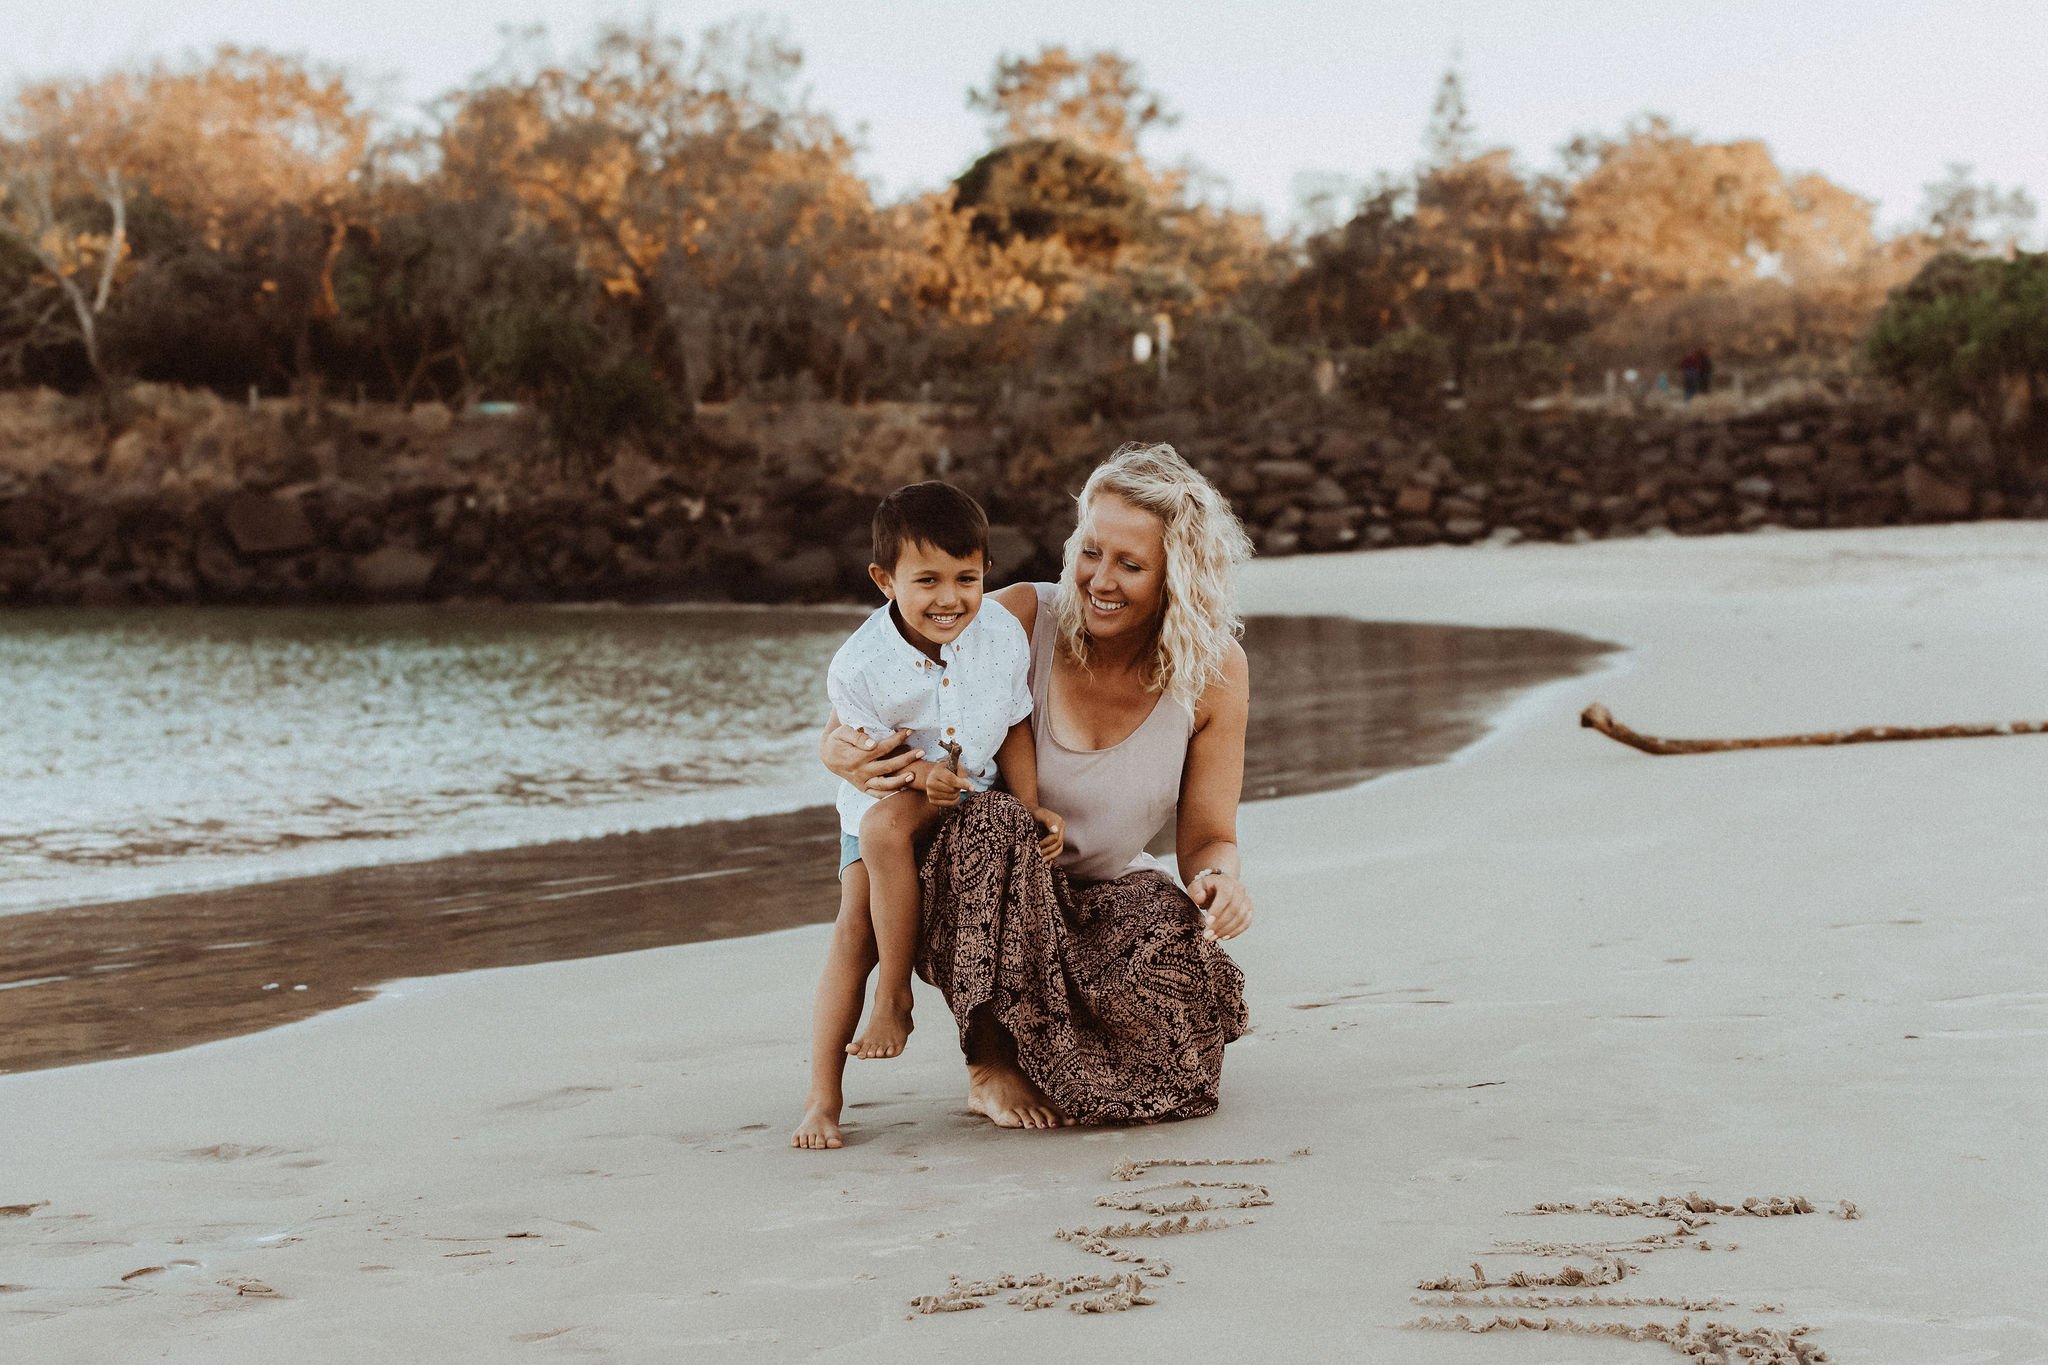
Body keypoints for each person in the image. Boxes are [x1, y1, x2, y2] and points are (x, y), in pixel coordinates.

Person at [824, 443, 1254, 1130]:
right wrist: (835, 747)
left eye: (1130, 564)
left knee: (1179, 1031)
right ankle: (989, 1060)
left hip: (1094, 903)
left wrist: (1219, 878)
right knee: (997, 818)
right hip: (969, 894)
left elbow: (1208, 835)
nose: (1099, 580)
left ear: (1179, 576)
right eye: (1091, 551)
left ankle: (1059, 1053)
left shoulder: (1214, 673)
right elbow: (891, 671)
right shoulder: (1018, 618)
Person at [792, 482, 1062, 1151]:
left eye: (966, 578)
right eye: (928, 580)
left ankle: (984, 1049)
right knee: (856, 918)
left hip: (973, 792)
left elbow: (1017, 723)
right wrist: (918, 774)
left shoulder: (999, 633)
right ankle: (832, 1085)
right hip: (890, 793)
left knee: (978, 838)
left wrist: (1029, 805)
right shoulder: (860, 665)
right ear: (886, 580)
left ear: (985, 573)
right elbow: (867, 756)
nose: (950, 598)